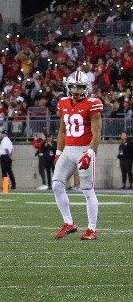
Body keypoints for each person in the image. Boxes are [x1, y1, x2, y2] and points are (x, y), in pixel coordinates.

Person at [53, 71, 102, 241]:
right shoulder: (63, 102)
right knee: (57, 185)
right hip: (68, 149)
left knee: (87, 190)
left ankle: (92, 229)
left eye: (79, 86)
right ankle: (68, 223)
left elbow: (97, 133)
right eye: (73, 86)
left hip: (84, 149)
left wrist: (90, 152)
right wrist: (58, 152)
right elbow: (62, 130)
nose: (75, 90)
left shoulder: (93, 104)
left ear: (86, 87)